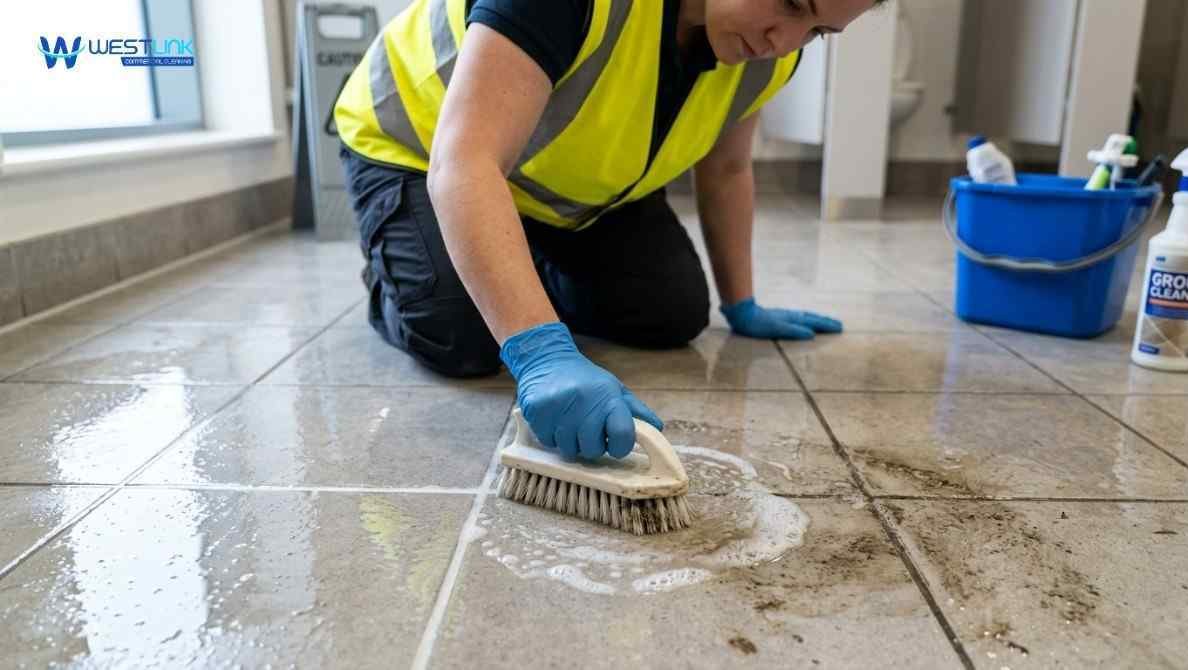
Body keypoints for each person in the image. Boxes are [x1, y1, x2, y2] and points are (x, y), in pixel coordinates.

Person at [335, 0, 880, 463]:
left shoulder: (769, 55)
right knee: (463, 338)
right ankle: (406, 269)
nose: (784, 41)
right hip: (419, 146)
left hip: (563, 189)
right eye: (791, 2)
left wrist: (742, 303)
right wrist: (540, 350)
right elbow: (466, 163)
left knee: (670, 313)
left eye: (818, 31)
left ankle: (503, 250)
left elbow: (728, 168)